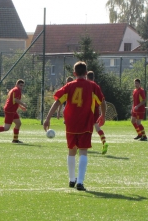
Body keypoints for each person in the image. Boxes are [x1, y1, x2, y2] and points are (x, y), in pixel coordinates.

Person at [43, 61, 106, 191]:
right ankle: (80, 182)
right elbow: (102, 101)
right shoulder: (93, 86)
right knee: (83, 151)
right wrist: (103, 115)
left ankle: (72, 180)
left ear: (74, 73)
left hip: (71, 122)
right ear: (86, 73)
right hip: (86, 121)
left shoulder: (69, 86)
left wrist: (48, 118)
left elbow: (57, 102)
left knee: (72, 150)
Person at [0, 79, 27, 143]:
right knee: (6, 128)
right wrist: (23, 104)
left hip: (12, 110)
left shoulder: (14, 89)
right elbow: (15, 99)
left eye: (22, 86)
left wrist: (21, 107)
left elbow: (13, 101)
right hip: (10, 110)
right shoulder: (16, 90)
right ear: (17, 84)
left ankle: (15, 140)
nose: (21, 87)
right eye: (20, 85)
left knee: (18, 123)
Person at [87, 71, 108, 154]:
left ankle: (80, 146)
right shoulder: (96, 86)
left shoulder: (86, 85)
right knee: (97, 127)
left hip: (87, 110)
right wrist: (103, 115)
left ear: (86, 77)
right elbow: (102, 101)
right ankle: (104, 142)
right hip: (96, 110)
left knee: (85, 129)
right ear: (94, 77)